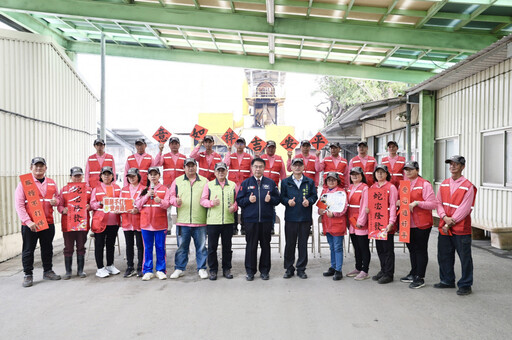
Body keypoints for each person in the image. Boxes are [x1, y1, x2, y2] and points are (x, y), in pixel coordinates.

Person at [15, 157, 61, 287]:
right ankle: (28, 274)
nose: (39, 168)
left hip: (47, 221)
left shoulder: (51, 182)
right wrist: (28, 221)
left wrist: (55, 202)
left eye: (42, 166)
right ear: (31, 168)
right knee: (28, 250)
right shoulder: (25, 183)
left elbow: (57, 198)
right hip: (31, 224)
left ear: (46, 168)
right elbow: (19, 205)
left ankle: (48, 271)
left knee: (47, 248)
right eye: (36, 166)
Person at [435, 155, 477, 296]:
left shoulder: (468, 186)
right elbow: (438, 203)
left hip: (460, 228)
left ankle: (465, 284)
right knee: (444, 255)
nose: (452, 166)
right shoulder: (444, 183)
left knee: (464, 258)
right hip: (445, 225)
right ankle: (447, 280)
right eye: (450, 164)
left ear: (462, 167)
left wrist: (451, 221)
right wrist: (444, 217)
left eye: (456, 164)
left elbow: (465, 208)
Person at [236, 158, 280, 281]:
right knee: (251, 246)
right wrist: (248, 201)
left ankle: (265, 271)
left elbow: (277, 200)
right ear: (252, 168)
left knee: (266, 245)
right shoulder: (246, 183)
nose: (258, 169)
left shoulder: (270, 183)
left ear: (264, 168)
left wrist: (270, 200)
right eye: (256, 166)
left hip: (266, 220)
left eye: (260, 166)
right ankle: (250, 271)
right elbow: (239, 201)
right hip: (250, 221)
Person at [398, 161, 436, 289]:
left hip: (422, 223)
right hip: (407, 222)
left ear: (417, 170)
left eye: (411, 169)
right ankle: (413, 273)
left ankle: (420, 277)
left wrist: (417, 203)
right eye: (406, 170)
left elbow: (432, 204)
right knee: (411, 249)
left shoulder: (424, 184)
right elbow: (401, 200)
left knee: (420, 249)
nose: (408, 172)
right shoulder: (404, 184)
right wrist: (398, 202)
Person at [169, 158, 209, 279]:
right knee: (182, 247)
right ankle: (179, 268)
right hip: (183, 221)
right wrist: (176, 201)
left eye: (193, 165)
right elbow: (170, 197)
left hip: (200, 221)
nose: (191, 168)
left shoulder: (205, 181)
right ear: (184, 168)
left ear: (196, 167)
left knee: (201, 247)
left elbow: (208, 198)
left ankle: (202, 268)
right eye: (188, 166)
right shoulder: (177, 181)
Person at [280, 158, 318, 279]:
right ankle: (289, 268)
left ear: (303, 167)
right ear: (291, 167)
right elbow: (282, 197)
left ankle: (301, 268)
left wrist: (310, 201)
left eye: (299, 165)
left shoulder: (309, 182)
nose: (297, 167)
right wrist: (288, 201)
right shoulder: (285, 182)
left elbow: (314, 196)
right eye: (295, 165)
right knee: (290, 244)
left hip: (305, 218)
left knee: (303, 244)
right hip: (291, 218)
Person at [360, 164, 397, 284]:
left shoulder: (391, 187)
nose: (380, 174)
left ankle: (389, 273)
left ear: (387, 174)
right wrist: (368, 210)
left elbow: (392, 205)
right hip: (376, 223)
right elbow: (371, 204)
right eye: (377, 172)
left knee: (388, 249)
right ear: (374, 174)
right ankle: (383, 270)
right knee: (380, 248)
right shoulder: (373, 187)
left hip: (386, 223)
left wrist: (391, 222)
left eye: (382, 172)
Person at [200, 162, 238, 280]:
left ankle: (227, 269)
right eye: (218, 171)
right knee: (212, 247)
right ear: (215, 172)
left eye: (223, 170)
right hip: (213, 222)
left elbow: (238, 200)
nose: (221, 173)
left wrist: (235, 207)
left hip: (228, 221)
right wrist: (212, 203)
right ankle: (213, 270)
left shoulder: (232, 185)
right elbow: (202, 201)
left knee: (227, 247)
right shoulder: (209, 185)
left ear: (227, 172)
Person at [135, 167, 171, 281]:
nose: (153, 176)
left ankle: (161, 270)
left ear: (159, 176)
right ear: (148, 176)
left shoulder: (165, 189)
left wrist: (159, 200)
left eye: (155, 174)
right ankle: (147, 270)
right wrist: (147, 196)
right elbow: (138, 204)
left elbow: (167, 204)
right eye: (151, 174)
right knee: (147, 248)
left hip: (160, 224)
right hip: (146, 224)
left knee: (160, 248)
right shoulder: (143, 190)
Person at [57, 166, 91, 279]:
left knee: (81, 246)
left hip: (82, 222)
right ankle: (68, 271)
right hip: (68, 223)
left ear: (82, 176)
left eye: (79, 175)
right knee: (68, 247)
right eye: (75, 176)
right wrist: (63, 210)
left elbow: (93, 203)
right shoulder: (64, 189)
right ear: (70, 177)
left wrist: (89, 206)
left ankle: (80, 270)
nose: (77, 178)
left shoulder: (88, 189)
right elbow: (59, 204)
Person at [90, 166, 121, 278]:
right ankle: (100, 268)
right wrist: (100, 203)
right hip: (100, 221)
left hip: (113, 221)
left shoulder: (117, 188)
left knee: (110, 244)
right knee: (99, 245)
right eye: (104, 174)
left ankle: (110, 265)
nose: (106, 176)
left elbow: (122, 202)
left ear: (113, 176)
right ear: (101, 176)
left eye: (109, 174)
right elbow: (92, 205)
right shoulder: (96, 189)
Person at [318, 172, 348, 281]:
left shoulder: (341, 192)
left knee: (338, 247)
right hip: (327, 223)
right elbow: (321, 206)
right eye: (329, 180)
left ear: (337, 181)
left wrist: (335, 214)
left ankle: (338, 270)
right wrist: (320, 211)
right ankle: (333, 266)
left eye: (333, 180)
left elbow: (344, 208)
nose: (331, 182)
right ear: (326, 182)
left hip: (337, 223)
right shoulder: (324, 192)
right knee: (331, 247)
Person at [223, 137, 253, 235]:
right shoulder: (231, 156)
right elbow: (225, 164)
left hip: (245, 185)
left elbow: (252, 171)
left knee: (245, 205)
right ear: (235, 145)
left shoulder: (249, 157)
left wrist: (251, 184)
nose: (239, 146)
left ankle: (244, 227)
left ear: (244, 145)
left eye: (241, 144)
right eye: (238, 144)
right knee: (233, 205)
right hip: (233, 185)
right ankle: (233, 227)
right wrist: (228, 151)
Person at [346, 167, 371, 281]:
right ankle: (358, 267)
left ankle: (365, 270)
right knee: (356, 246)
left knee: (363, 246)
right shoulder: (350, 187)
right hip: (352, 221)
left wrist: (361, 221)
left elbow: (365, 205)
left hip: (361, 222)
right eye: (352, 174)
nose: (354, 176)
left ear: (362, 175)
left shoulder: (365, 188)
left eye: (357, 174)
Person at [120, 168, 145, 278]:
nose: (131, 178)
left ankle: (140, 267)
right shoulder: (124, 190)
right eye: (129, 177)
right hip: (127, 221)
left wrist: (138, 210)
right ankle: (130, 267)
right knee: (129, 245)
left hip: (139, 221)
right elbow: (120, 204)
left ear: (138, 176)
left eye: (133, 176)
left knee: (140, 245)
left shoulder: (144, 189)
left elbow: (146, 204)